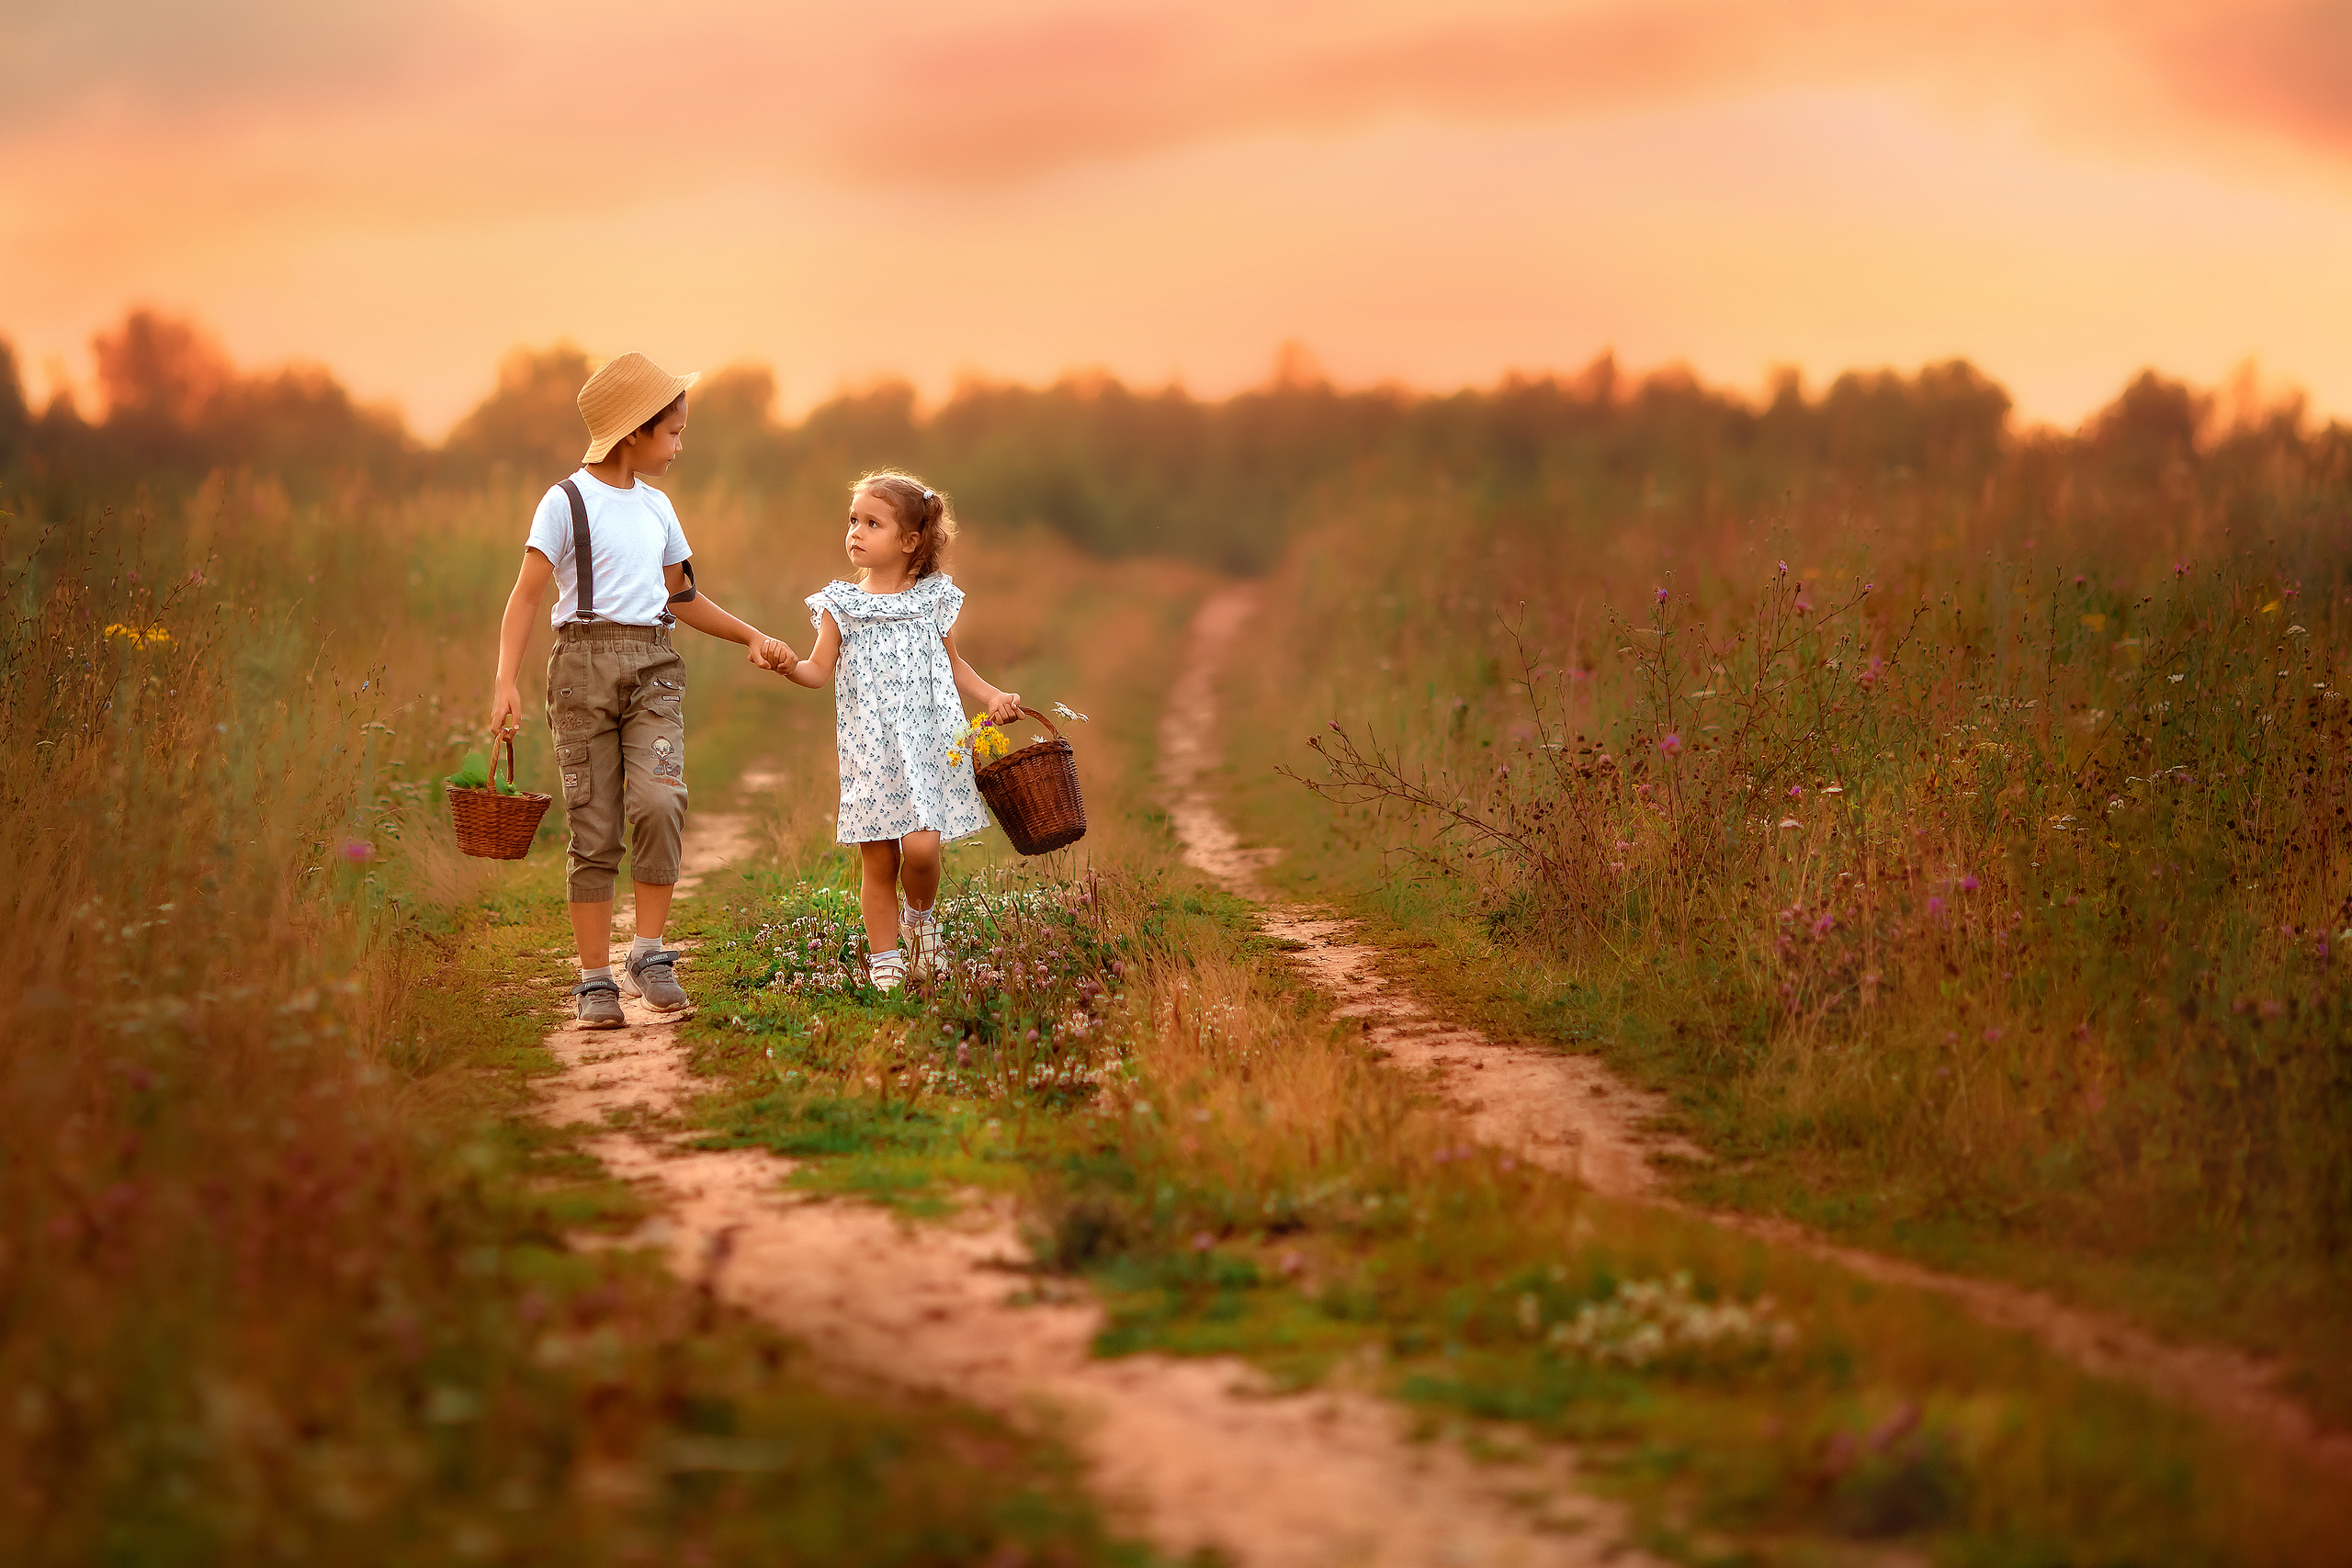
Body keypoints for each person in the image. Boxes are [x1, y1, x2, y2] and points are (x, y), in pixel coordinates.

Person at [488, 352, 789, 1028]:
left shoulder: (658, 507)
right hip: (580, 672)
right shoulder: (563, 502)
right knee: (593, 827)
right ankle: (594, 979)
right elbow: (527, 595)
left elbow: (682, 596)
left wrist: (749, 636)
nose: (680, 445)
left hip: (653, 666)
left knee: (659, 800)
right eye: (673, 432)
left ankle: (647, 953)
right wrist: (504, 679)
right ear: (632, 432)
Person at [771, 471, 1022, 990]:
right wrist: (787, 665)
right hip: (870, 750)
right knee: (879, 855)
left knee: (924, 849)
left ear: (910, 542)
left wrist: (993, 696)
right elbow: (818, 671)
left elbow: (954, 665)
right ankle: (885, 958)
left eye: (871, 523)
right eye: (853, 521)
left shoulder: (933, 600)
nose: (855, 532)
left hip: (930, 744)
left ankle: (919, 917)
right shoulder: (840, 605)